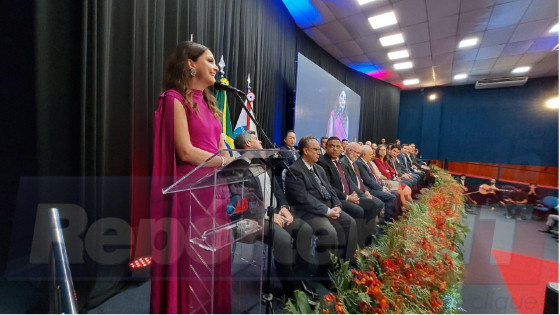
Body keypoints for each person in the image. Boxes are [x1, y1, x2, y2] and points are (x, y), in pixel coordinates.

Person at [150, 41, 234, 313]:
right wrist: (225, 161)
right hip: (191, 193)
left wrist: (231, 159)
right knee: (193, 263)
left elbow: (218, 144)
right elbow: (185, 151)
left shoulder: (210, 103)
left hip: (216, 190)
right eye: (209, 60)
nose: (215, 67)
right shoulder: (173, 98)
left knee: (214, 260)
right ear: (191, 64)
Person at [232, 130, 313, 297]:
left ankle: (298, 278)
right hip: (253, 218)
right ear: (247, 144)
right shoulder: (237, 167)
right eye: (256, 139)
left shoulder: (261, 162)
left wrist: (283, 206)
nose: (260, 141)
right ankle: (292, 292)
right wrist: (266, 214)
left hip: (275, 212)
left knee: (305, 230)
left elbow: (276, 187)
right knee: (283, 240)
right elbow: (242, 199)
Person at [284, 136, 357, 276]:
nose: (319, 152)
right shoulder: (294, 170)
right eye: (316, 149)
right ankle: (326, 274)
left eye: (319, 149)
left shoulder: (318, 168)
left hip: (328, 207)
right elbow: (303, 199)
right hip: (309, 212)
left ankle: (346, 266)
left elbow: (330, 189)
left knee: (350, 223)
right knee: (329, 232)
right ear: (305, 150)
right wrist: (327, 211)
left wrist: (337, 205)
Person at [316, 137, 382, 246]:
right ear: (326, 147)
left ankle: (368, 239)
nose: (335, 149)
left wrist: (356, 196)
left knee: (371, 204)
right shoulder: (322, 163)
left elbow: (350, 183)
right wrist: (347, 198)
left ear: (341, 148)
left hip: (349, 196)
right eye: (332, 146)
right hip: (338, 198)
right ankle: (357, 244)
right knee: (358, 210)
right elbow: (328, 187)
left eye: (338, 147)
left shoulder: (340, 163)